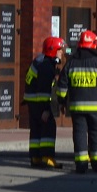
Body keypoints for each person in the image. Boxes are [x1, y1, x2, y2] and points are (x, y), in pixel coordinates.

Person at [56, 30, 97, 173]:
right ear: (94, 44)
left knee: (79, 133)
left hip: (76, 108)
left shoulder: (71, 63)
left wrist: (62, 101)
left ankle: (81, 164)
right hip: (96, 109)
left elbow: (62, 86)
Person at [23, 36, 64, 169]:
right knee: (49, 126)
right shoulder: (46, 66)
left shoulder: (40, 61)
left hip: (32, 101)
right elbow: (44, 90)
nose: (61, 53)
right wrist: (46, 109)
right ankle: (47, 157)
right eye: (59, 50)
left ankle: (35, 157)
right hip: (39, 102)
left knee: (36, 129)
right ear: (53, 50)